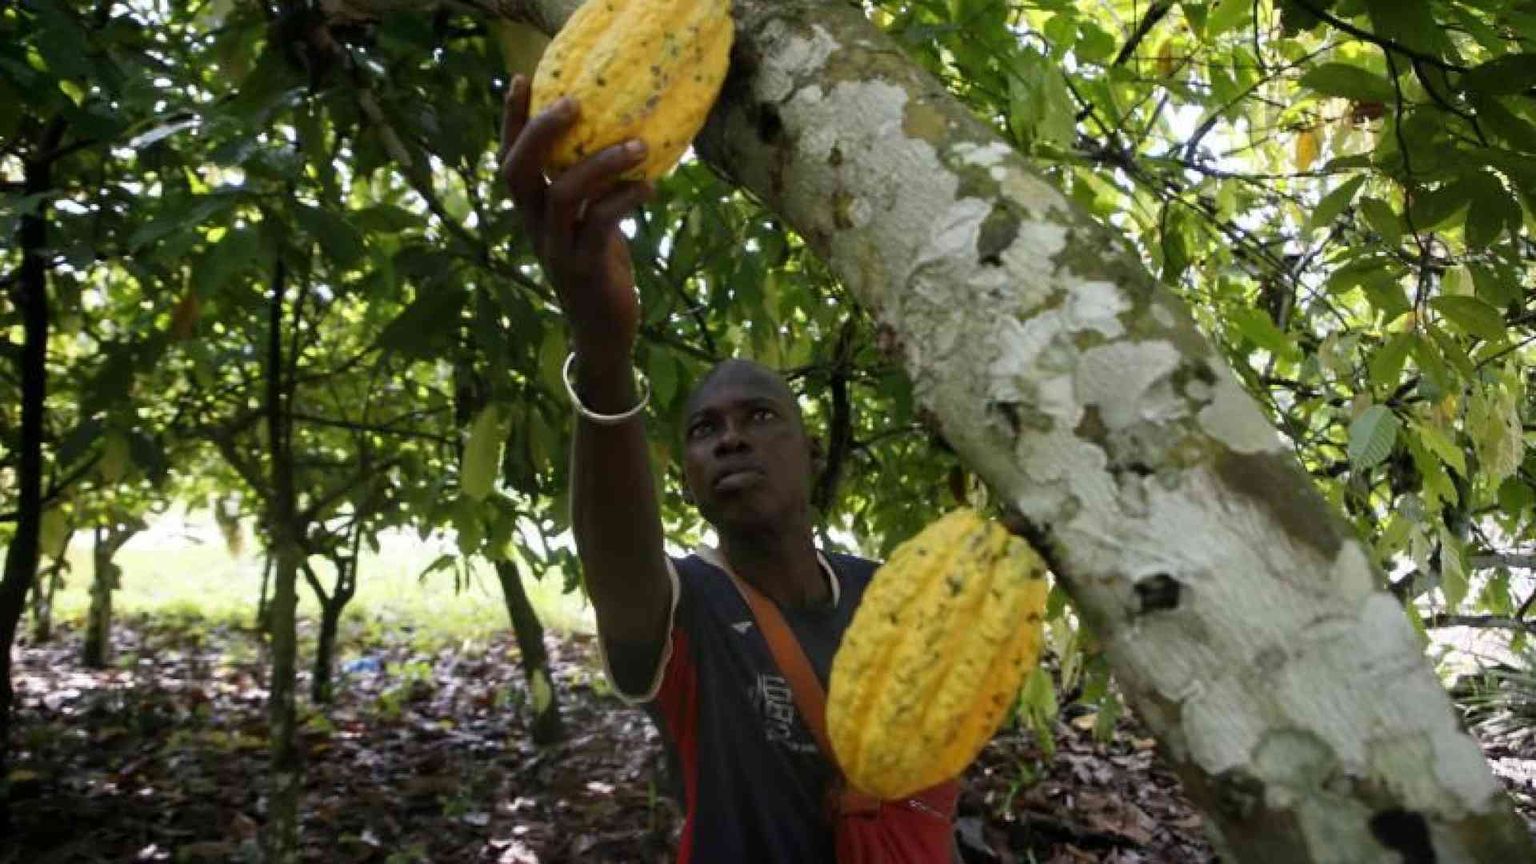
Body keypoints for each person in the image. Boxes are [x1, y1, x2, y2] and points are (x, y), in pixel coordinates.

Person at [499, 75, 954, 863]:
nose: (731, 439)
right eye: (706, 430)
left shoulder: (890, 594)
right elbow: (617, 570)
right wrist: (601, 350)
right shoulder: (687, 611)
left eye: (760, 417)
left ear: (813, 455)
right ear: (686, 479)